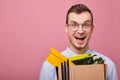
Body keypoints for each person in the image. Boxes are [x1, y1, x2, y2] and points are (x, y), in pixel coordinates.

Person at [39, 4, 118, 80]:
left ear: (92, 29)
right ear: (66, 28)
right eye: (74, 25)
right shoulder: (50, 66)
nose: (80, 31)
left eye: (86, 25)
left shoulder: (108, 66)